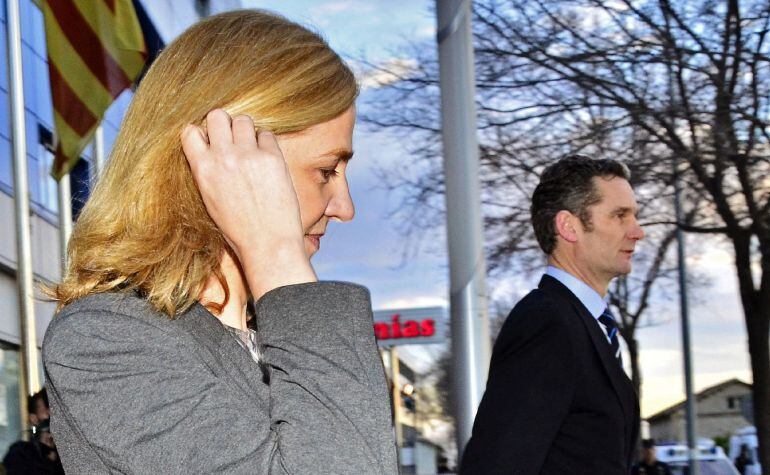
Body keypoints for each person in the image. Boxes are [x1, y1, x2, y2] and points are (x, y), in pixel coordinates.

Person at [42, 10, 397, 474]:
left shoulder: (276, 330)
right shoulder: (105, 338)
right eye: (327, 171)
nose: (345, 207)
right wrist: (276, 254)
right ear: (231, 159)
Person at [460, 155, 644, 474]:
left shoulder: (583, 323)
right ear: (568, 226)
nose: (637, 231)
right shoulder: (547, 324)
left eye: (635, 216)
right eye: (619, 216)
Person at [3, 389, 64, 475]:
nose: (51, 413)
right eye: (46, 410)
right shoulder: (20, 454)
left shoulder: (68, 451)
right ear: (33, 418)